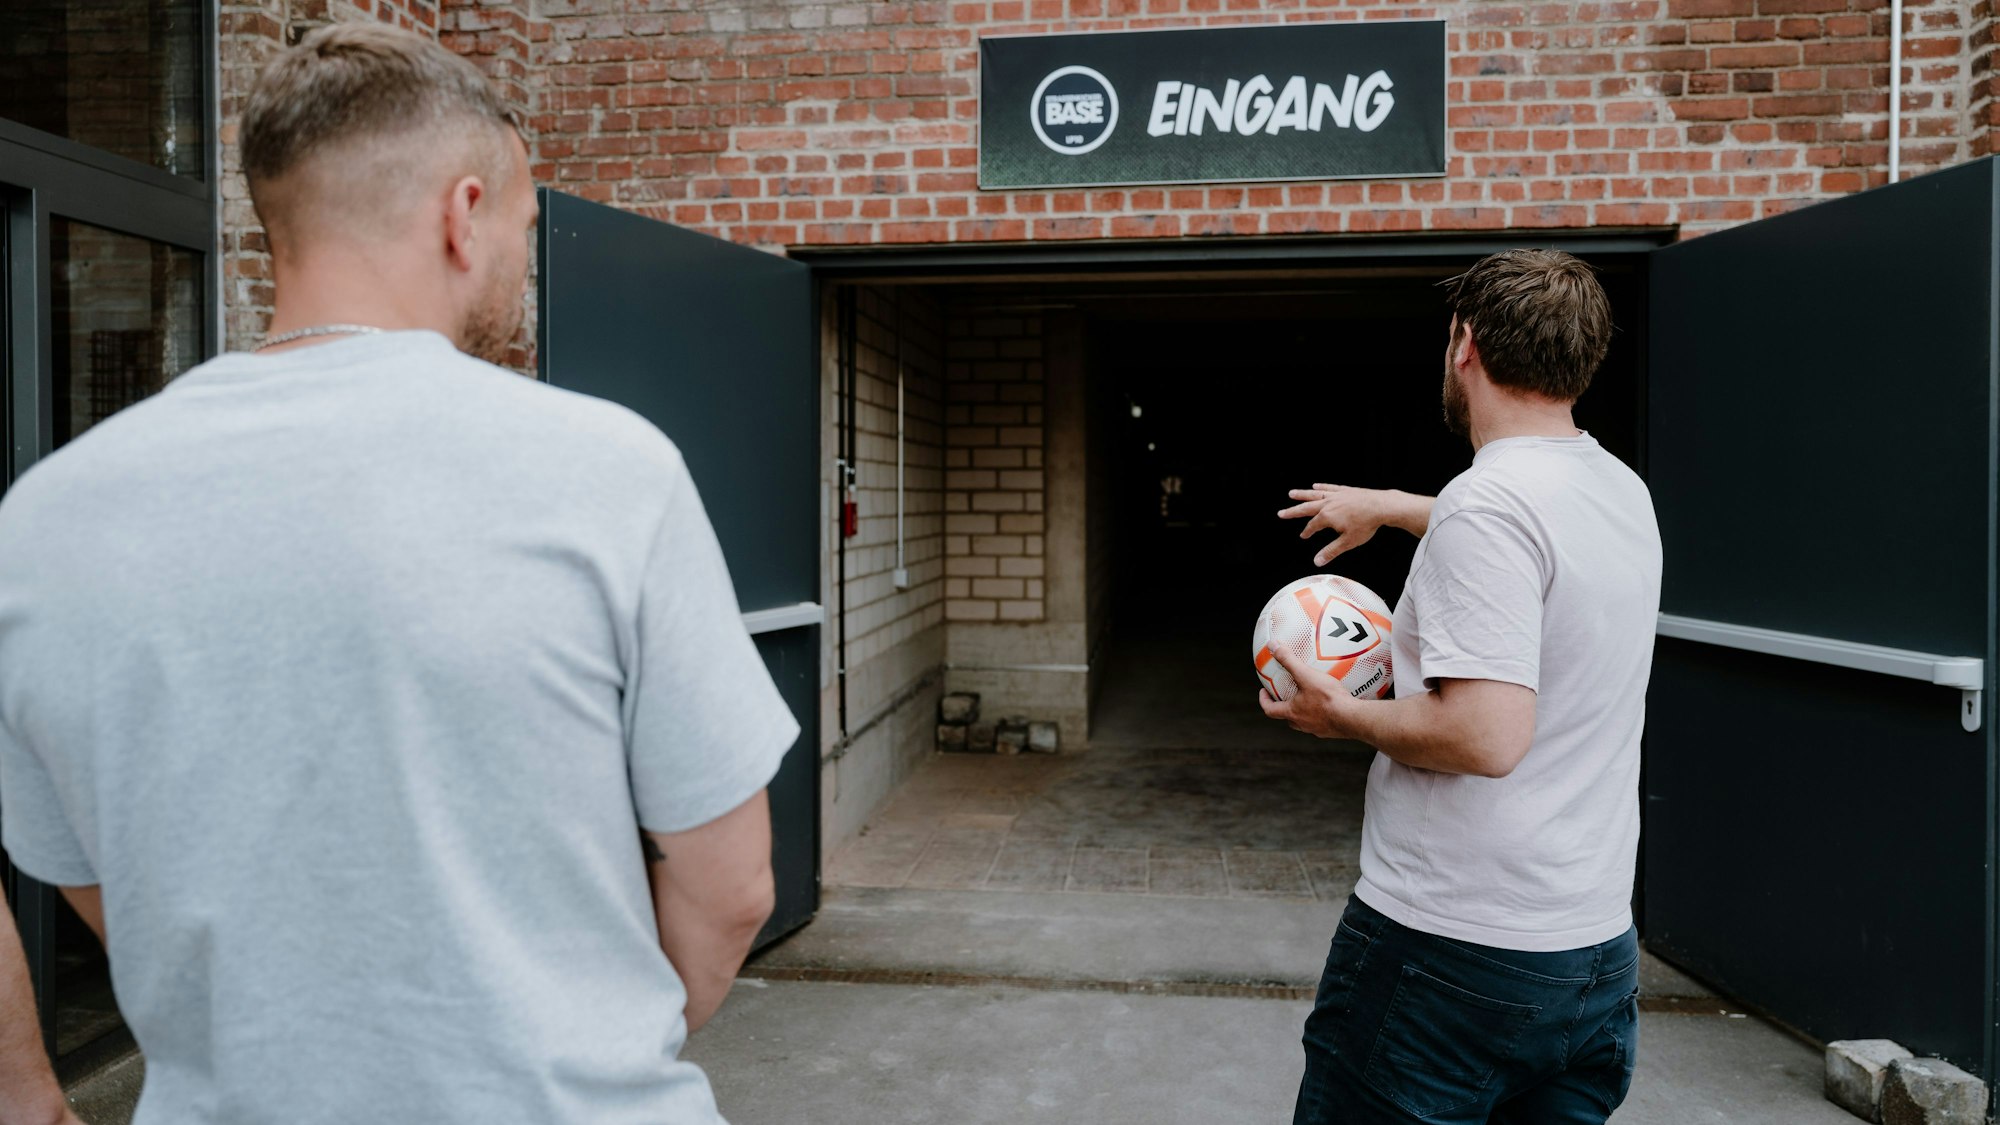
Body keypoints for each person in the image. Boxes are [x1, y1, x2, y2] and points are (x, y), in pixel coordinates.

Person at [0, 23, 797, 1125]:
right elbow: (730, 887)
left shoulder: (41, 519)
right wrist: (573, 1031)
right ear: (461, 215)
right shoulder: (607, 470)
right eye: (523, 224)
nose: (522, 258)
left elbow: (98, 885)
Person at [1266, 249, 1662, 1124]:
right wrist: (1399, 504)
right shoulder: (1618, 489)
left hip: (1451, 953)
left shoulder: (1490, 507)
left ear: (1465, 346)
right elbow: (1524, 535)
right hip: (1591, 951)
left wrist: (1341, 714)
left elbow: (1487, 735)